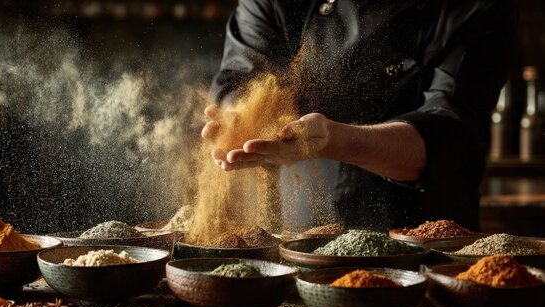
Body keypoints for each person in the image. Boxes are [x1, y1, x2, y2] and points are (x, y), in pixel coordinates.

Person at [201, 0, 513, 231]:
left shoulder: (474, 7)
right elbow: (241, 79)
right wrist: (239, 118)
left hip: (428, 244)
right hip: (306, 241)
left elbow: (451, 134)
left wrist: (334, 140)